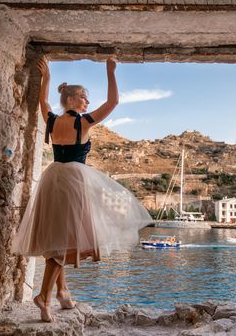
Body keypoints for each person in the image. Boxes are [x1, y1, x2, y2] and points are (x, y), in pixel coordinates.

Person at [12, 57, 152, 322]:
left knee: (57, 237)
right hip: (73, 181)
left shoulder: (51, 120)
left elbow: (44, 103)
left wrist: (47, 78)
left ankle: (63, 292)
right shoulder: (82, 122)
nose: (87, 102)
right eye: (84, 97)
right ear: (73, 100)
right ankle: (44, 296)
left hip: (51, 179)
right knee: (67, 242)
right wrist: (110, 71)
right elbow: (112, 103)